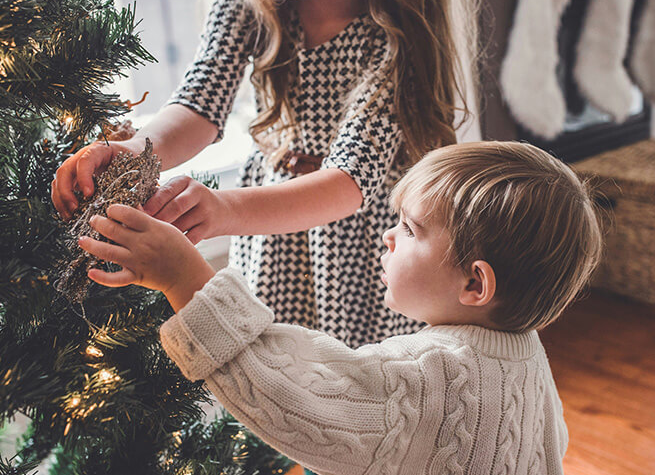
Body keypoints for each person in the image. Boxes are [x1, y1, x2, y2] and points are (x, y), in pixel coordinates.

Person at [77, 141, 604, 474]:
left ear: (475, 282)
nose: (388, 236)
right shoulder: (526, 354)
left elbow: (292, 398)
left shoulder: (429, 378)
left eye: (409, 229)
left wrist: (183, 276)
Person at [51, 0, 478, 348]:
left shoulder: (396, 27)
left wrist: (221, 209)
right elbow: (200, 104)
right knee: (273, 368)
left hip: (358, 241)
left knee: (348, 382)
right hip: (270, 232)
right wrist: (135, 151)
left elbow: (349, 181)